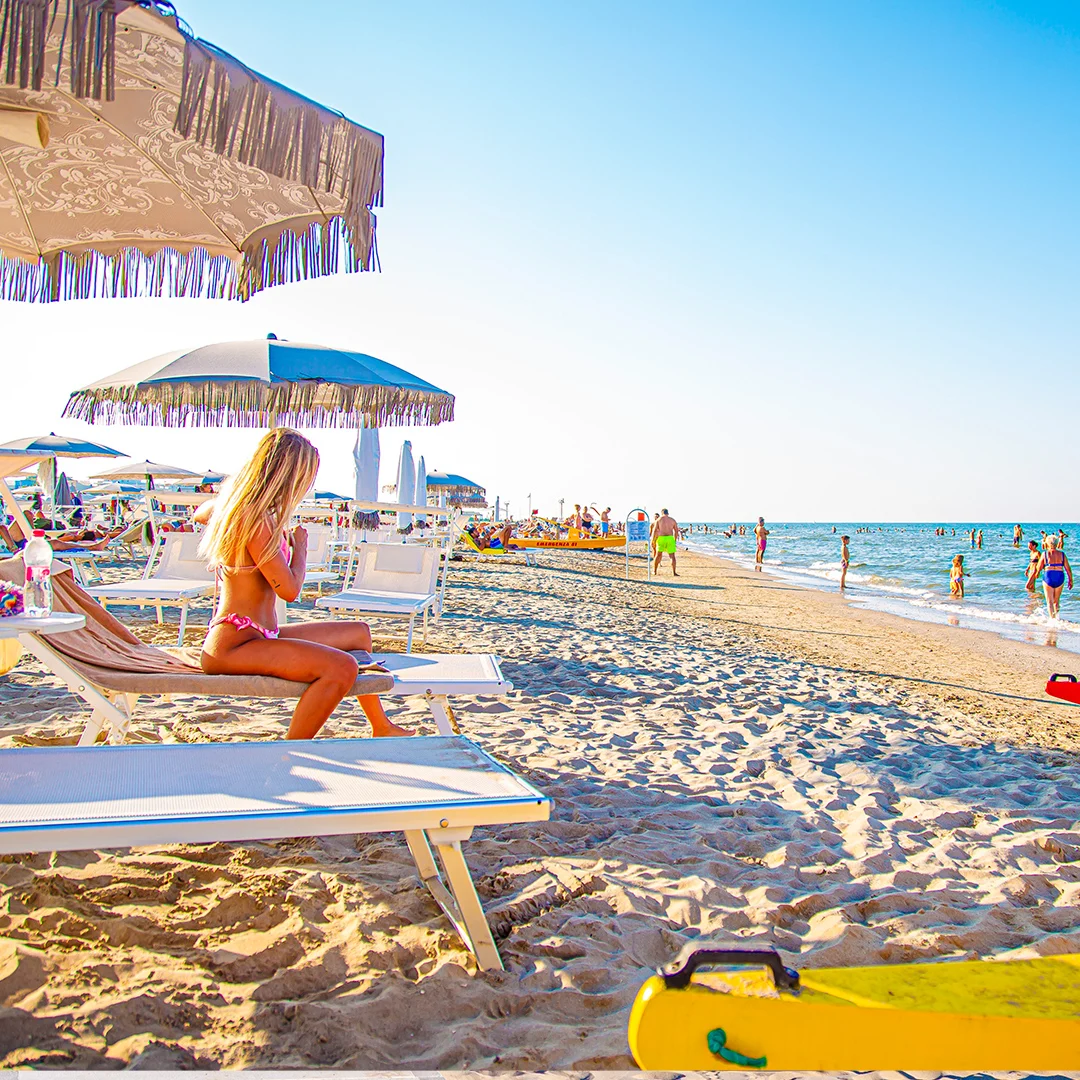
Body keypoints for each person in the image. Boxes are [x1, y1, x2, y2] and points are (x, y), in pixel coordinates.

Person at [195, 429, 410, 740]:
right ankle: (289, 749)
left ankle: (382, 726)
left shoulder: (247, 513)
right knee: (342, 667)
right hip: (234, 645)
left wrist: (227, 506)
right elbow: (290, 591)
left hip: (259, 635)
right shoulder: (256, 523)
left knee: (358, 633)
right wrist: (300, 548)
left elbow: (202, 512)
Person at [1037, 536, 1073, 619]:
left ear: (1047, 543)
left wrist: (1036, 573)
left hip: (1048, 575)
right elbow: (1068, 568)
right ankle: (1057, 618)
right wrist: (1070, 580)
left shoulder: (1045, 554)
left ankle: (1052, 620)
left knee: (1049, 601)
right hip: (1059, 575)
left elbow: (1038, 567)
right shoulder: (1062, 554)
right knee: (1056, 601)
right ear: (1057, 543)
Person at [653, 508, 680, 576]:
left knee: (658, 555)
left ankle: (654, 571)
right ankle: (674, 572)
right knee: (672, 556)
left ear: (662, 513)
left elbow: (654, 530)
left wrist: (653, 540)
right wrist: (674, 539)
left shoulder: (658, 520)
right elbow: (676, 531)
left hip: (661, 538)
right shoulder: (672, 520)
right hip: (670, 538)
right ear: (668, 513)